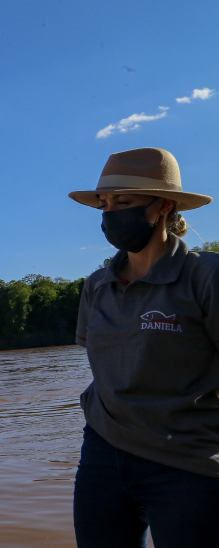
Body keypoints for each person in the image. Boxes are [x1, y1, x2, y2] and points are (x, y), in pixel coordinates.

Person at [69, 147, 219, 547]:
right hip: (103, 454)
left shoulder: (205, 276)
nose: (111, 213)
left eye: (125, 202)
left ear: (163, 205)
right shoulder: (97, 285)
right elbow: (105, 367)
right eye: (104, 204)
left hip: (186, 462)